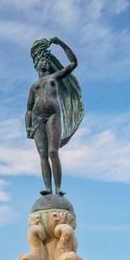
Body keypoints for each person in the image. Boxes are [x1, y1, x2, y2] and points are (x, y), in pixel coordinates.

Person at [25, 37, 82, 196]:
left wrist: (61, 43)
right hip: (37, 120)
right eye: (40, 60)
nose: (43, 62)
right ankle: (48, 188)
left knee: (52, 152)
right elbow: (28, 109)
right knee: (42, 155)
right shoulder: (34, 87)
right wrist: (27, 127)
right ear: (36, 65)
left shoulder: (54, 77)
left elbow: (73, 63)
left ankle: (58, 188)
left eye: (45, 60)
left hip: (53, 116)